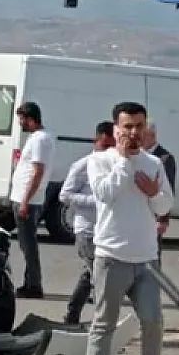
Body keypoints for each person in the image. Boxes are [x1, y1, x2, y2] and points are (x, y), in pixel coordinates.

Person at [84, 101, 174, 355]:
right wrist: (123, 161)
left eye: (139, 126)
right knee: (104, 322)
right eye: (128, 127)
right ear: (116, 129)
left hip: (146, 258)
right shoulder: (100, 161)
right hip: (112, 255)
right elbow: (106, 194)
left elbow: (164, 208)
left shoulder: (154, 164)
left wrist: (153, 193)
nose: (134, 132)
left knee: (153, 321)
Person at [60, 120, 115, 325]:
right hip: (87, 230)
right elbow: (65, 195)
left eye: (112, 146)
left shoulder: (115, 166)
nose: (107, 150)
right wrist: (96, 200)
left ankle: (72, 315)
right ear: (96, 141)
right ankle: (101, 322)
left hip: (107, 230)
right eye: (104, 145)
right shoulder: (84, 164)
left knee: (89, 275)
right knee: (101, 278)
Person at [10, 101, 54, 299]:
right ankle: (30, 282)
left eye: (22, 119)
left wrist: (25, 201)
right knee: (25, 243)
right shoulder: (38, 138)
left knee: (28, 244)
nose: (20, 123)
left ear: (30, 119)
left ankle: (34, 285)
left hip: (28, 199)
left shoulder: (40, 140)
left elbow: (37, 172)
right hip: (25, 197)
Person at [143, 123, 177, 262]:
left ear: (152, 136)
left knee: (153, 256)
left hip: (155, 215)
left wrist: (163, 219)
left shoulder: (165, 158)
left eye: (142, 136)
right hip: (142, 213)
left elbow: (168, 189)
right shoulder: (141, 155)